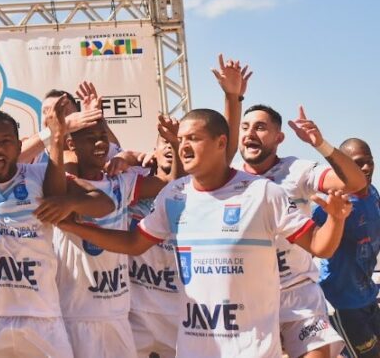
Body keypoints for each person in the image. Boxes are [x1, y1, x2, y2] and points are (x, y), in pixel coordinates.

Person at [52, 108, 352, 357]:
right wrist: (73, 226)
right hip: (194, 346)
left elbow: (319, 247)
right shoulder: (174, 194)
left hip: (251, 349)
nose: (183, 146)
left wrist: (336, 220)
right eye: (181, 139)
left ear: (221, 143)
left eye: (193, 138)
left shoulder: (262, 193)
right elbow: (133, 243)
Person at [39, 115, 178, 358]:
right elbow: (91, 203)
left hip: (118, 314)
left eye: (102, 137)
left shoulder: (122, 183)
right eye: (90, 139)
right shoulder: (65, 183)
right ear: (72, 146)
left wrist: (175, 143)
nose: (99, 144)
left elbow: (170, 182)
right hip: (75, 314)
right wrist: (56, 137)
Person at [235, 103, 364, 358]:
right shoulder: (229, 177)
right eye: (245, 127)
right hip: (250, 298)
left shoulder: (296, 170)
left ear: (279, 137)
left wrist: (321, 144)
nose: (250, 133)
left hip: (298, 294)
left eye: (260, 127)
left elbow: (356, 182)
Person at [0, 107, 80, 357]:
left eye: (5, 141)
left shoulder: (38, 175)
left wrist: (56, 138)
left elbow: (61, 197)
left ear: (18, 146)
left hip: (41, 316)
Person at [313, 138, 380, 358]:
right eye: (359, 163)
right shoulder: (332, 203)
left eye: (369, 161)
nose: (367, 167)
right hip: (343, 302)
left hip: (368, 295)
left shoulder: (373, 193)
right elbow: (306, 241)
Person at [128, 135, 183, 358]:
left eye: (177, 142)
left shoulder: (196, 189)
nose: (170, 147)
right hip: (133, 315)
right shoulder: (131, 181)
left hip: (177, 314)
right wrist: (127, 157)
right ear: (154, 149)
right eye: (165, 142)